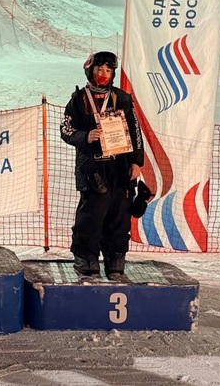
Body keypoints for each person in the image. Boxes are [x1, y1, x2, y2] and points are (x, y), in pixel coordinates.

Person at [60, 51, 144, 279]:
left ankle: (115, 259)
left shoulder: (122, 98)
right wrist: (85, 136)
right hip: (92, 168)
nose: (104, 74)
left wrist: (137, 162)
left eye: (108, 70)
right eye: (99, 69)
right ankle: (85, 259)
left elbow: (135, 132)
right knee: (92, 215)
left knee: (120, 215)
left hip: (120, 168)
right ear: (90, 71)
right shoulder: (78, 100)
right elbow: (65, 130)